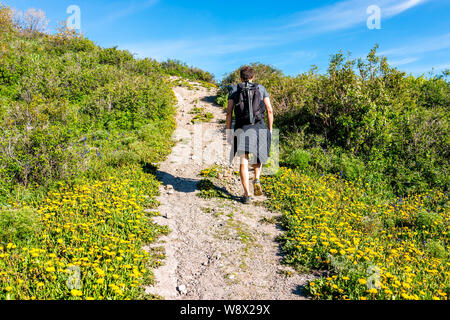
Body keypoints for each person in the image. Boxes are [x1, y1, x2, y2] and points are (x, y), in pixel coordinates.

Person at [226, 66, 274, 204]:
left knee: (244, 159)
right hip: (259, 127)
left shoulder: (234, 90)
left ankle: (247, 195)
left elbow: (229, 112)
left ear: (241, 77)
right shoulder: (261, 88)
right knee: (259, 155)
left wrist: (229, 131)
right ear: (253, 76)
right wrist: (269, 129)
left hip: (242, 127)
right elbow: (269, 110)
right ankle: (257, 178)